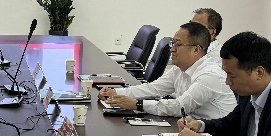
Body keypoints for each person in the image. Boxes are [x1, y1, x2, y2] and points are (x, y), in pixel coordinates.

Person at [99, 22, 235, 119]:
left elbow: (180, 107)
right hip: (192, 127)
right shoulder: (179, 69)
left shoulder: (209, 75)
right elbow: (153, 89)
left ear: (196, 49)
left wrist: (137, 104)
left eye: (178, 44)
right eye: (172, 43)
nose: (172, 49)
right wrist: (116, 92)